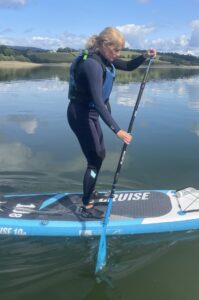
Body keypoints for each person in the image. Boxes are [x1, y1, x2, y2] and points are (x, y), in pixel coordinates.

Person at [67, 27, 156, 218]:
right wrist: (118, 130)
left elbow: (129, 66)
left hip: (90, 114)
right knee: (95, 157)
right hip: (80, 114)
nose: (118, 54)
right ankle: (86, 205)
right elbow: (99, 102)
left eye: (120, 50)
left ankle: (89, 192)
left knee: (99, 154)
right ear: (104, 45)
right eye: (116, 50)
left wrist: (144, 56)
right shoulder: (91, 64)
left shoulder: (106, 58)